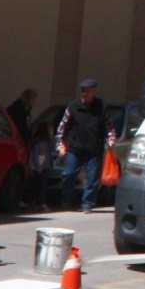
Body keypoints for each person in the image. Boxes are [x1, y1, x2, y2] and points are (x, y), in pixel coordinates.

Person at [55, 78, 117, 214]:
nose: (84, 94)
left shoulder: (101, 106)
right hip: (75, 148)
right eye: (82, 91)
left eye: (87, 91)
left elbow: (109, 127)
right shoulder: (73, 107)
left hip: (94, 149)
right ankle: (66, 200)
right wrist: (60, 145)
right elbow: (62, 127)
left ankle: (87, 204)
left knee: (92, 179)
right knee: (68, 174)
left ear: (93, 92)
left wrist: (111, 141)